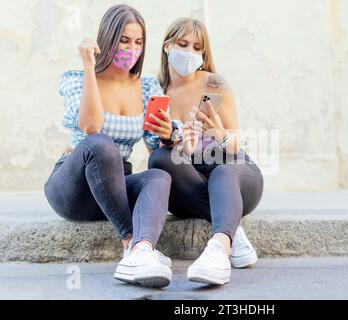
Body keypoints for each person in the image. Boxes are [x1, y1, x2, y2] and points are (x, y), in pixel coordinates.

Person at [44, 4, 181, 288]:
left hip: (115, 185)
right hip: (75, 188)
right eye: (124, 40)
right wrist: (89, 68)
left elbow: (156, 142)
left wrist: (169, 133)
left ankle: (142, 250)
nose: (132, 49)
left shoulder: (146, 87)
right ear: (107, 38)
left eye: (139, 42)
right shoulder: (77, 79)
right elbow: (92, 127)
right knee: (101, 144)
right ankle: (131, 242)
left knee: (159, 175)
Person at [147, 17, 264, 285]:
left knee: (223, 167)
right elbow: (154, 147)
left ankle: (220, 246)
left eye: (197, 48)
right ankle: (228, 223)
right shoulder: (157, 92)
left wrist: (220, 136)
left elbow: (234, 143)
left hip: (233, 172)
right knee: (159, 159)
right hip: (191, 184)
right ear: (167, 47)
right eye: (183, 44)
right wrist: (172, 140)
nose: (189, 53)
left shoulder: (212, 84)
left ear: (203, 54)